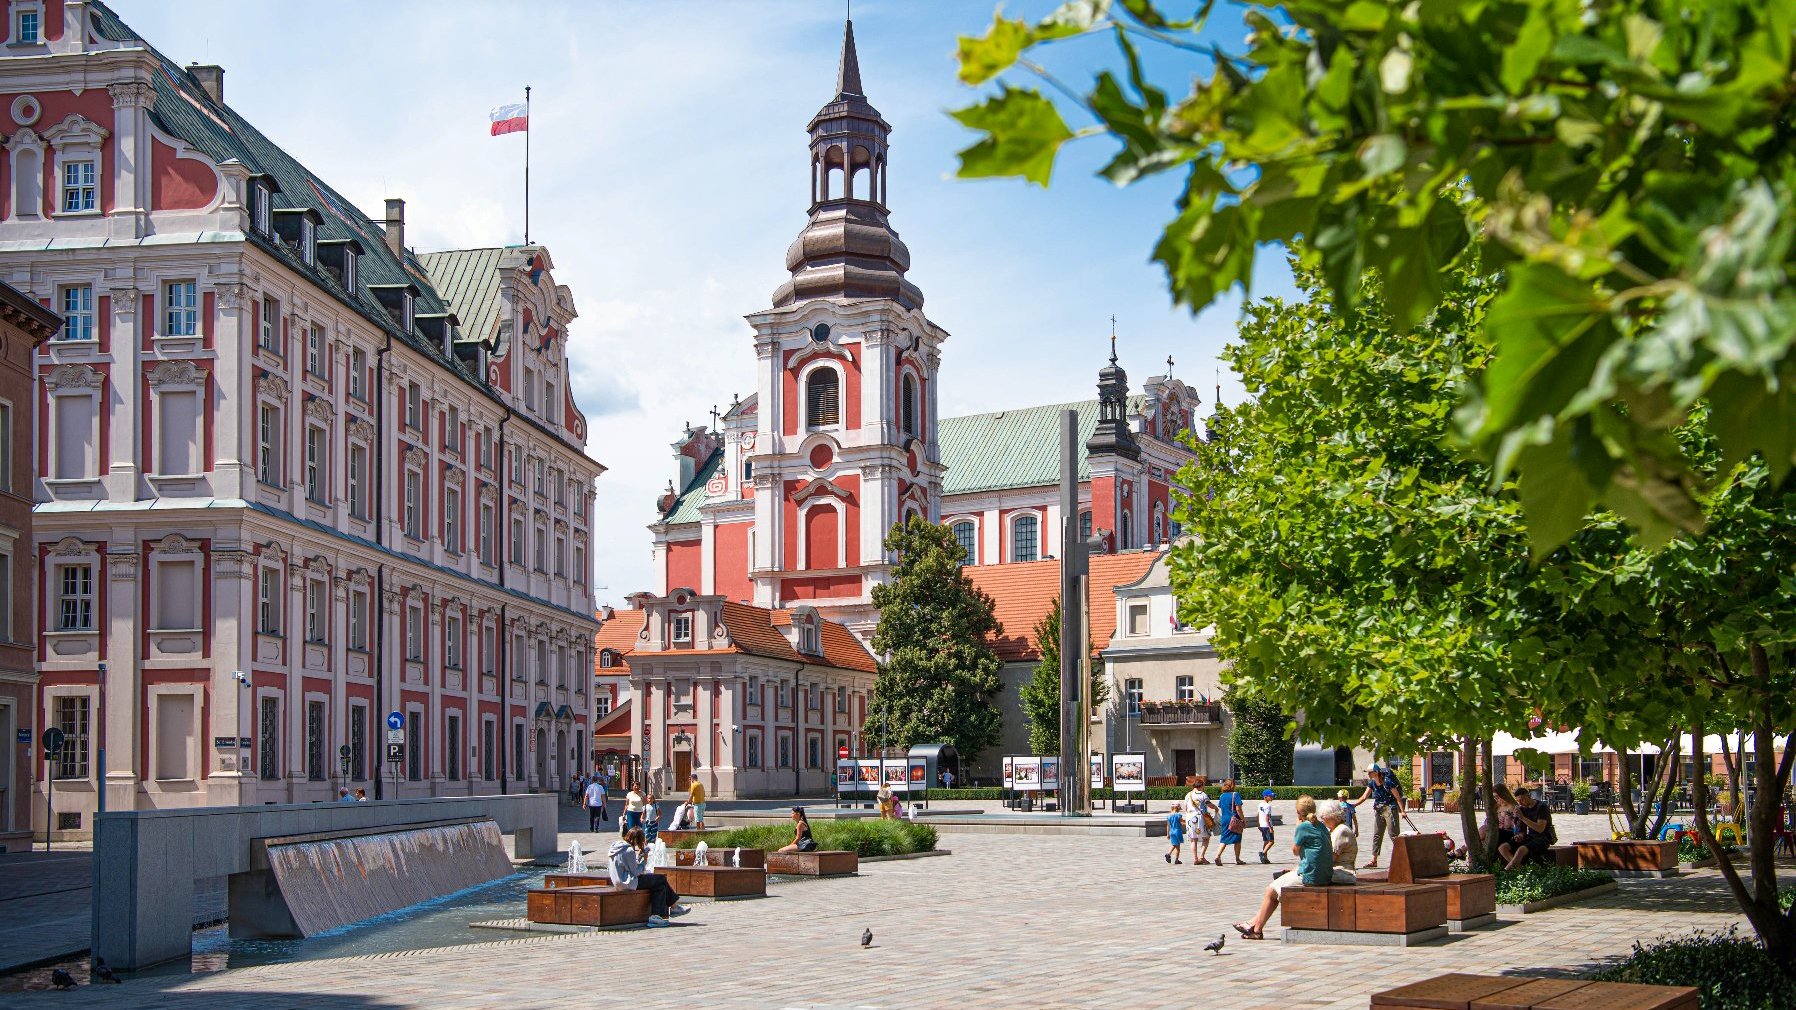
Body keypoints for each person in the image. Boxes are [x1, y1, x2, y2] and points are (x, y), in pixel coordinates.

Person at [1233, 795, 1333, 939]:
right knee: (1276, 885)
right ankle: (1252, 924)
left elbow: (1295, 851)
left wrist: (1298, 827)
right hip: (1325, 874)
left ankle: (1256, 930)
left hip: (1311, 876)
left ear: (1299, 812)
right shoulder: (1321, 825)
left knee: (1270, 891)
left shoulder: (1304, 826)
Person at [607, 827, 688, 926]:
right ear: (638, 839)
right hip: (629, 882)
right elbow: (636, 872)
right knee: (661, 879)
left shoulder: (617, 848)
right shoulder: (628, 850)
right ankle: (673, 907)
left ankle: (657, 917)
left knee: (660, 886)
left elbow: (628, 867)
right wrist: (644, 860)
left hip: (619, 881)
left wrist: (638, 858)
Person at [1351, 763, 1405, 869]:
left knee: (1394, 835)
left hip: (1390, 809)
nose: (1369, 774)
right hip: (1379, 810)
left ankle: (1402, 859)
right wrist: (1354, 805)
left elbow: (1397, 797)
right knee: (1377, 835)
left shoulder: (1388, 782)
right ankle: (1373, 860)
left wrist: (1402, 811)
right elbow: (1364, 796)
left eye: (1370, 772)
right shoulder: (1372, 783)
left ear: (1376, 772)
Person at [1498, 788, 1556, 869]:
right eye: (1518, 801)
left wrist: (1522, 818)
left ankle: (1506, 871)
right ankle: (1521, 869)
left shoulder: (1541, 807)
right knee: (1502, 848)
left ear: (1529, 796)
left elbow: (1540, 828)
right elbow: (1522, 829)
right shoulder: (1522, 808)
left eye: (1522, 800)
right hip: (1529, 836)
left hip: (1542, 838)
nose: (1520, 803)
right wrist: (1520, 835)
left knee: (1521, 850)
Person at [1320, 798, 1358, 877]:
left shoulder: (1341, 831)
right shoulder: (1336, 829)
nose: (1321, 820)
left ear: (1332, 816)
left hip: (1342, 873)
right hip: (1337, 871)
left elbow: (1330, 859)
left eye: (1322, 816)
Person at [1183, 777, 1215, 865]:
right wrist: (1215, 808)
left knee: (1193, 839)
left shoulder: (1188, 795)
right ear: (1202, 786)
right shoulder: (1203, 794)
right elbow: (1208, 804)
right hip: (1200, 818)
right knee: (1206, 837)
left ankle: (1195, 859)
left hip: (1190, 818)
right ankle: (1201, 856)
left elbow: (1185, 808)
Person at [1215, 778, 1246, 865]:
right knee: (1237, 839)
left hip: (1224, 818)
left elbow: (1221, 807)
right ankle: (1237, 859)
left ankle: (1218, 855)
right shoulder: (1235, 795)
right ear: (1233, 785)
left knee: (1224, 838)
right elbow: (1238, 809)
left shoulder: (1222, 796)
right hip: (1234, 819)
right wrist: (1243, 819)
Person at [1256, 788, 1277, 864]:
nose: (1272, 797)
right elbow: (1267, 818)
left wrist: (1258, 824)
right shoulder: (1268, 806)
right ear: (1265, 797)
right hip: (1267, 826)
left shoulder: (1260, 804)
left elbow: (1257, 815)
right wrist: (1270, 828)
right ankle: (1263, 853)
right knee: (1271, 841)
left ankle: (1265, 858)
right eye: (1270, 796)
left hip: (1262, 825)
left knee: (1266, 841)